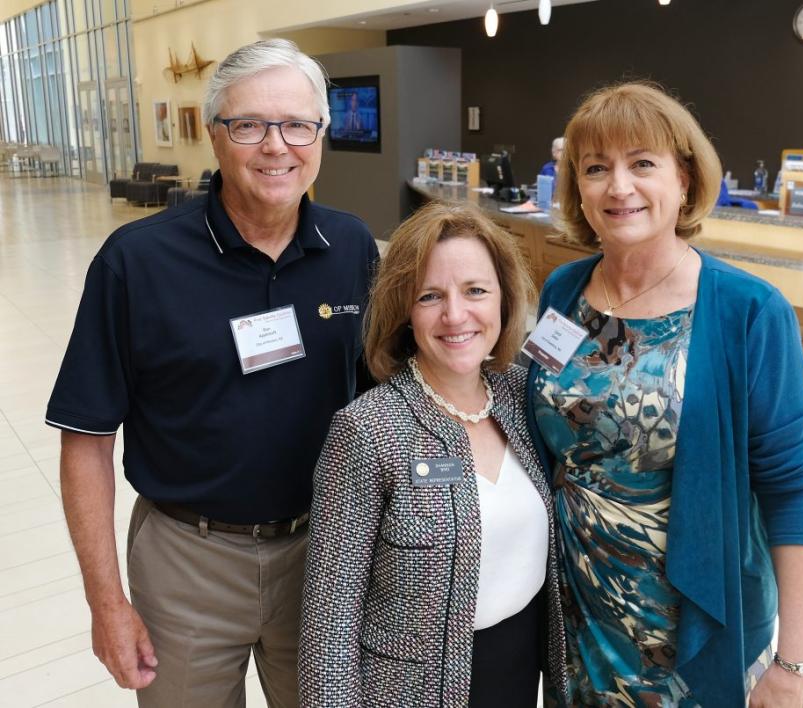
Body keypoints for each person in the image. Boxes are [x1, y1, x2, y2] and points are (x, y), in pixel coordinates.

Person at [45, 39, 377, 707]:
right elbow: (85, 438)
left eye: (297, 125)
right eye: (250, 125)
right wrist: (106, 603)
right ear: (216, 134)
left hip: (325, 553)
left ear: (321, 134)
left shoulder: (351, 247)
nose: (276, 147)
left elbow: (385, 401)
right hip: (187, 559)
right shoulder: (138, 262)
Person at [526, 82, 803, 707]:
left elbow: (792, 490)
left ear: (684, 180)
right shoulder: (564, 292)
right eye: (596, 168)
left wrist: (794, 666)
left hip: (690, 624)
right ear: (577, 189)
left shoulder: (747, 311)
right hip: (575, 610)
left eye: (643, 163)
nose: (619, 186)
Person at [298, 201, 567, 707]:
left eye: (476, 291)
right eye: (430, 296)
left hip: (518, 671)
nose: (455, 315)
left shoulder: (521, 395)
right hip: (411, 692)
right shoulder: (368, 429)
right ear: (404, 311)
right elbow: (328, 621)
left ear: (505, 300)